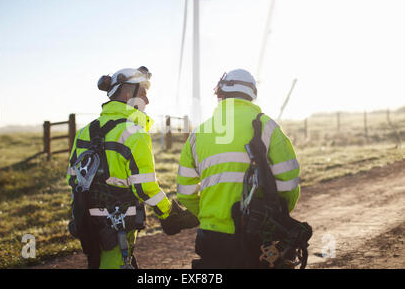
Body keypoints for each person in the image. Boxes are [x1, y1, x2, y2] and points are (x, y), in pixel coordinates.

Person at [67, 66, 198, 269]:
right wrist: (170, 213)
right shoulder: (135, 133)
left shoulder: (85, 131)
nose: (147, 100)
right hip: (116, 226)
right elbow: (145, 188)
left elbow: (73, 178)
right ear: (128, 93)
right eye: (143, 93)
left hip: (86, 223)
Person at [176, 69, 301, 269]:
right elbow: (288, 183)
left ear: (220, 95)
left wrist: (208, 214)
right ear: (252, 95)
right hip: (257, 236)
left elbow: (184, 192)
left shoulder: (198, 134)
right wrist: (276, 218)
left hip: (211, 236)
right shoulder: (267, 127)